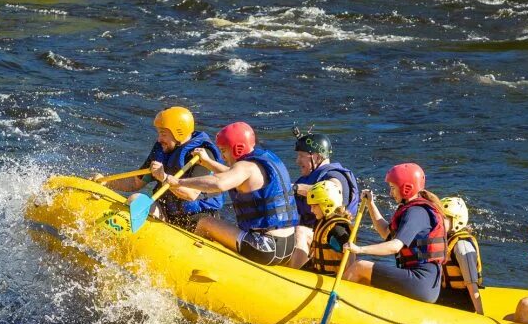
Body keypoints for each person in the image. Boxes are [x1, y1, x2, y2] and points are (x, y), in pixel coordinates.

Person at [155, 121, 300, 266]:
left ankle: (185, 260)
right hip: (287, 247)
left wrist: (177, 182)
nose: (222, 156)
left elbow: (219, 183)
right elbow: (233, 176)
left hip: (264, 248)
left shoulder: (245, 167)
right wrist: (207, 163)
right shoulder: (263, 161)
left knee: (205, 222)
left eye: (223, 151)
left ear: (238, 149)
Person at [100, 106, 223, 230]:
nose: (159, 139)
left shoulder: (203, 155)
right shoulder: (161, 148)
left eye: (163, 134)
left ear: (178, 133)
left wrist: (163, 177)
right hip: (166, 212)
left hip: (196, 221)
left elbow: (191, 195)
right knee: (135, 199)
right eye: (159, 133)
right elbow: (135, 183)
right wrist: (107, 182)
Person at [343, 163, 447, 304]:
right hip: (422, 282)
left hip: (421, 281)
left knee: (359, 267)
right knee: (365, 275)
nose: (390, 193)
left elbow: (394, 246)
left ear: (406, 188)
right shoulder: (412, 209)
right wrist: (370, 204)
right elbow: (385, 233)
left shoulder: (416, 213)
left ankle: (339, 304)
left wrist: (360, 249)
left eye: (393, 188)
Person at [287, 131, 359, 269]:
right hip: (316, 238)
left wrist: (295, 188)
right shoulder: (309, 176)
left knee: (300, 231)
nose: (297, 161)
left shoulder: (336, 175)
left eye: (301, 156)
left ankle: (296, 276)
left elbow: (333, 188)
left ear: (316, 156)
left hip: (330, 241)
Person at [434, 196, 486, 315]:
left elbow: (471, 284)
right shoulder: (446, 239)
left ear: (456, 221)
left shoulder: (462, 246)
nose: (438, 221)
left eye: (443, 218)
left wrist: (480, 314)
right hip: (448, 292)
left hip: (463, 301)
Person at [303, 181, 353, 276]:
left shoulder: (338, 229)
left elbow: (350, 256)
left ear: (327, 205)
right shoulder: (322, 222)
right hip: (319, 272)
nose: (311, 210)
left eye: (314, 206)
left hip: (332, 277)